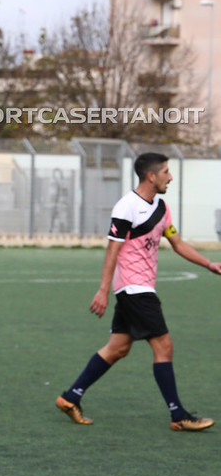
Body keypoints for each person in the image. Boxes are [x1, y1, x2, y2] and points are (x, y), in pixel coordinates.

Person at [56, 152, 221, 431]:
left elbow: (177, 243)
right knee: (164, 346)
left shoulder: (161, 207)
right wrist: (103, 290)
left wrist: (208, 264)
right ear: (151, 176)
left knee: (118, 348)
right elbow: (112, 250)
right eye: (166, 171)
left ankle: (71, 397)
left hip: (139, 287)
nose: (171, 176)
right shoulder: (126, 207)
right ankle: (178, 415)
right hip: (134, 289)